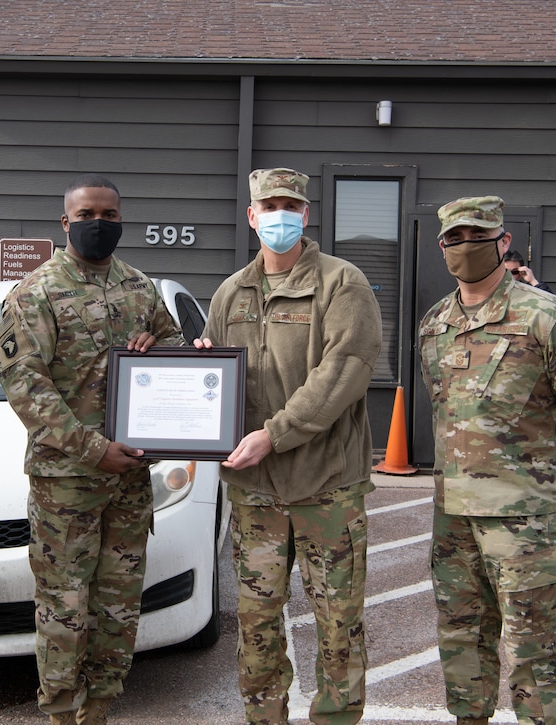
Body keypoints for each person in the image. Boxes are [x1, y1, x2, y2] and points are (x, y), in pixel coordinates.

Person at [194, 168, 382, 725]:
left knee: (338, 624)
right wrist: (201, 369)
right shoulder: (232, 292)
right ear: (252, 216)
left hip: (328, 487)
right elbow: (221, 380)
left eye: (290, 206)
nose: (280, 215)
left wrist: (272, 436)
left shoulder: (342, 283)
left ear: (305, 215)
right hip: (256, 494)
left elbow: (343, 372)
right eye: (268, 206)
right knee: (256, 624)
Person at [0, 174, 186, 725]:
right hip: (68, 483)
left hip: (129, 477)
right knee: (65, 607)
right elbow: (26, 386)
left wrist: (162, 346)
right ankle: (61, 711)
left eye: (108, 214)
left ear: (121, 220)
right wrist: (91, 448)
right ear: (65, 222)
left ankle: (100, 707)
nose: (98, 224)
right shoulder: (35, 293)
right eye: (86, 215)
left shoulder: (139, 287)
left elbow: (174, 348)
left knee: (119, 603)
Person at [419, 196, 556, 725]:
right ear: (442, 248)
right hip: (453, 512)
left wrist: (552, 474)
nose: (466, 247)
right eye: (455, 238)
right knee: (461, 636)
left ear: (504, 242)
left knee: (534, 645)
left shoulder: (547, 316)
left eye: (478, 236)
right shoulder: (435, 323)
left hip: (524, 516)